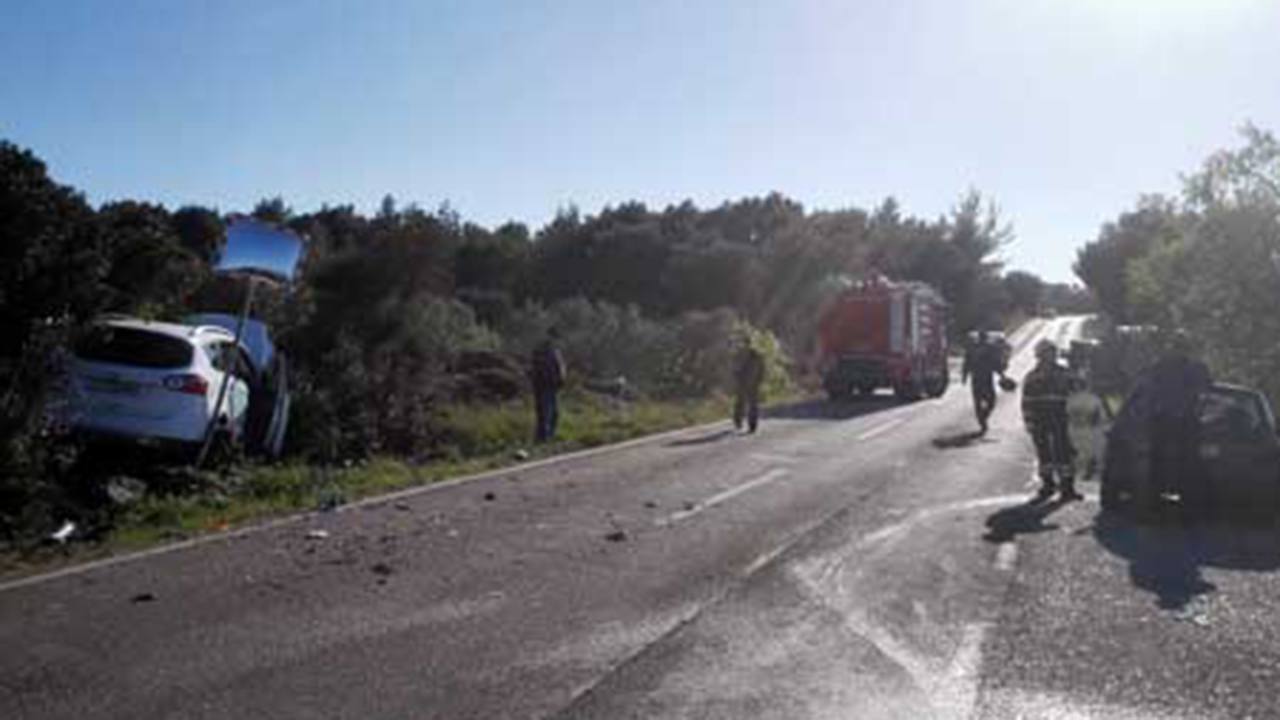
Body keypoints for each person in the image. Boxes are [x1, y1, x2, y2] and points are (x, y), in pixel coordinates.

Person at [1145, 332, 1211, 512]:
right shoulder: (1164, 366)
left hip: (1180, 421)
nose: (1178, 350)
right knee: (1164, 460)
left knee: (1183, 462)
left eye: (1181, 347)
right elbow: (1150, 390)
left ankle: (1178, 498)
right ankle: (1159, 497)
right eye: (1177, 346)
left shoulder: (1165, 366)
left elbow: (1205, 392)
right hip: (1169, 420)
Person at [1021, 339, 1082, 501]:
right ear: (1040, 356)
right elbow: (1027, 401)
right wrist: (1029, 422)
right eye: (1047, 353)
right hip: (1040, 419)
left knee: (1065, 453)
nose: (1051, 357)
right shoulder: (1032, 377)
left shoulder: (1065, 373)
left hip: (1061, 417)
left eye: (1052, 353)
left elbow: (1078, 390)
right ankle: (1048, 485)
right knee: (1044, 454)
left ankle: (1067, 487)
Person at [962, 330, 1006, 434]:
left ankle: (982, 418)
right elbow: (996, 363)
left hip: (978, 379)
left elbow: (966, 364)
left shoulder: (973, 349)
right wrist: (1001, 374)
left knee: (980, 401)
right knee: (990, 400)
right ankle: (983, 417)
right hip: (985, 379)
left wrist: (964, 376)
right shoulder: (989, 349)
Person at [529, 329, 566, 443]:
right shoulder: (549, 352)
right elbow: (558, 369)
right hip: (546, 386)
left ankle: (544, 437)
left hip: (544, 386)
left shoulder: (543, 351)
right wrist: (560, 380)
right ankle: (545, 438)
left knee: (547, 413)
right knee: (548, 413)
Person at [733, 340, 766, 433]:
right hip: (743, 383)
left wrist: (759, 380)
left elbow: (762, 369)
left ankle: (752, 424)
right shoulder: (740, 355)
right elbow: (735, 369)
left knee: (753, 405)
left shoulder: (756, 356)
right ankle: (738, 421)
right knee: (740, 403)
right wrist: (738, 378)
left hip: (753, 384)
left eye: (747, 344)